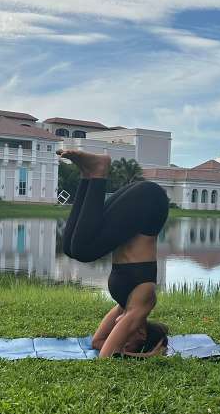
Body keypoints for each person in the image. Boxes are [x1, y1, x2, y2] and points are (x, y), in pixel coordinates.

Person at [58, 149, 170, 359]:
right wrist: (148, 356)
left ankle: (88, 175)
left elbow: (97, 343)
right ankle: (98, 171)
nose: (123, 343)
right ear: (141, 334)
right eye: (130, 345)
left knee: (71, 248)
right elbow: (108, 356)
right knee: (83, 250)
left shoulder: (126, 306)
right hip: (150, 203)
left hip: (143, 203)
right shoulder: (142, 304)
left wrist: (126, 351)